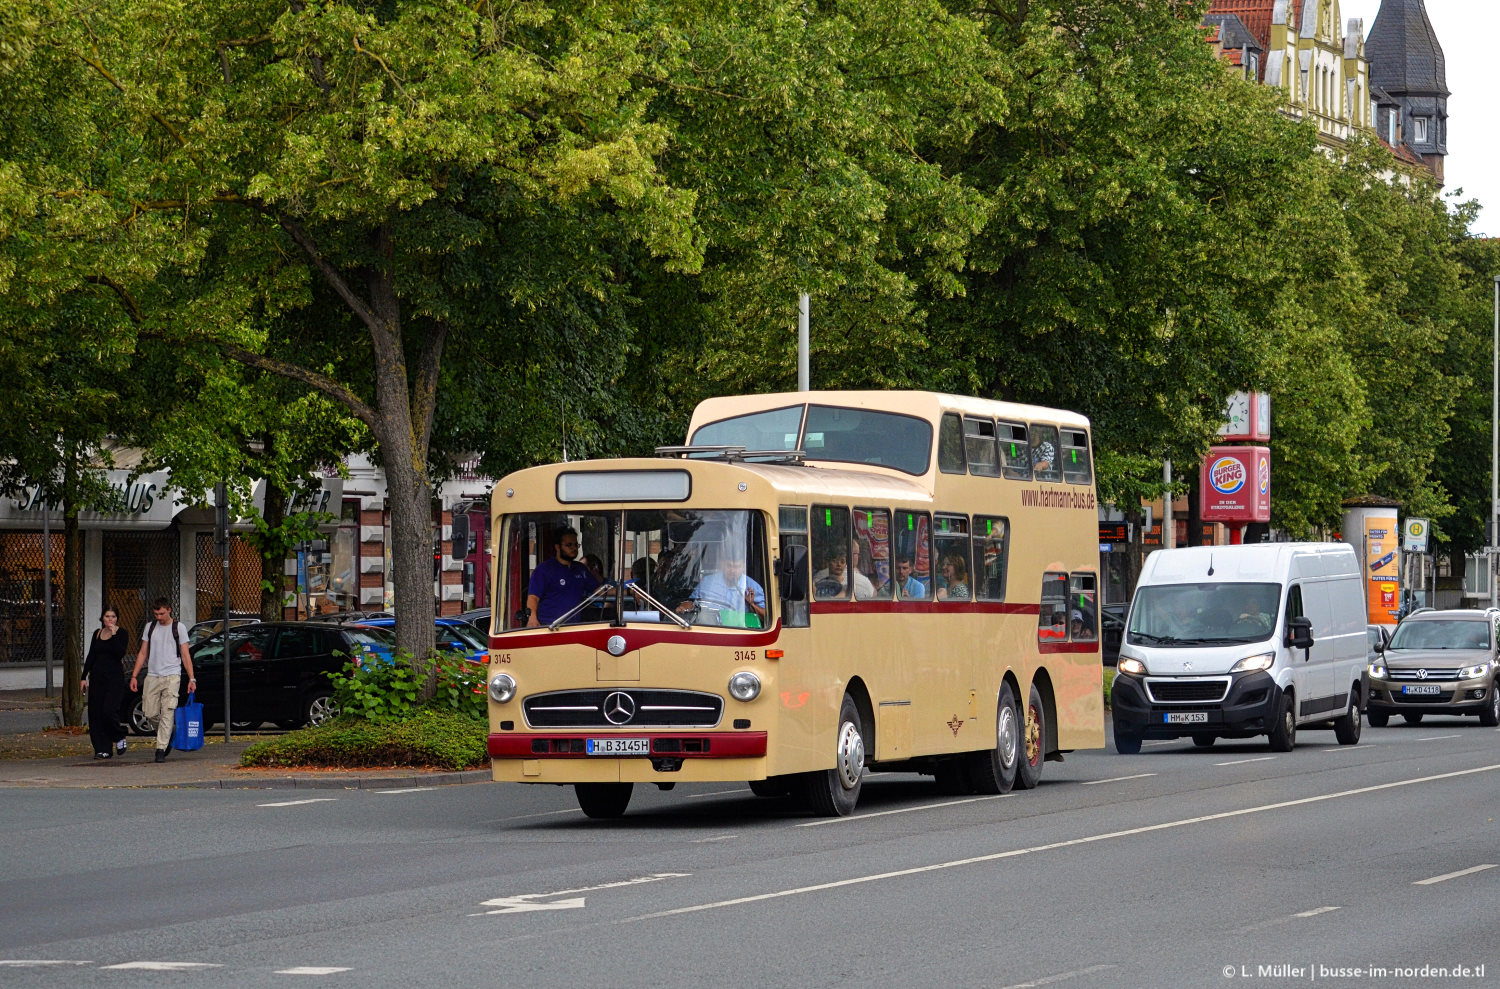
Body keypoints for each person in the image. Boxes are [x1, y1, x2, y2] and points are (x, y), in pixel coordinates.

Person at [129, 598, 196, 763]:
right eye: (156, 614)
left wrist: (191, 678)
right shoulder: (150, 627)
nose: (159, 617)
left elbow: (186, 654)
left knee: (168, 711)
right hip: (152, 675)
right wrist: (134, 676)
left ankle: (161, 748)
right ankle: (167, 732)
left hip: (172, 675)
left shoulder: (178, 627)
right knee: (149, 713)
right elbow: (143, 652)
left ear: (169, 610)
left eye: (162, 613)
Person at [526, 527, 601, 626]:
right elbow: (533, 597)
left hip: (574, 628)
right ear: (557, 547)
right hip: (549, 627)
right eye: (569, 545)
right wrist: (532, 618)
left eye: (576, 545)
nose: (574, 548)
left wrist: (626, 591)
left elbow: (599, 590)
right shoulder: (544, 570)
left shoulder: (580, 569)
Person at [81, 605, 128, 759]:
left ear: (117, 618)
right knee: (96, 714)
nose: (110, 619)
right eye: (107, 616)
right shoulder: (97, 633)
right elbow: (91, 656)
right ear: (102, 618)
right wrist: (83, 677)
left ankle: (119, 735)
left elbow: (120, 652)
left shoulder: (122, 633)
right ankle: (103, 748)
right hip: (97, 678)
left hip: (114, 679)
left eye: (113, 616)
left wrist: (114, 635)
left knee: (109, 710)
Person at [678, 550, 766, 626]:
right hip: (708, 628)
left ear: (743, 567)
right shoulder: (708, 582)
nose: (732, 570)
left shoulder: (752, 587)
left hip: (739, 632)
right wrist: (683, 607)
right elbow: (692, 602)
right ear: (722, 565)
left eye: (736, 567)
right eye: (729, 566)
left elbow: (766, 617)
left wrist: (751, 604)